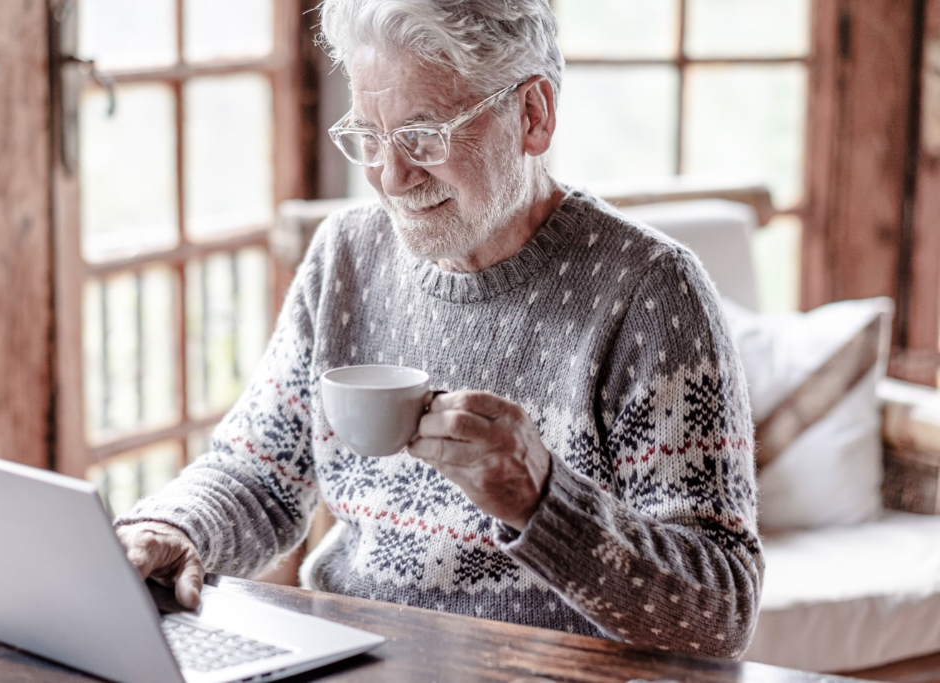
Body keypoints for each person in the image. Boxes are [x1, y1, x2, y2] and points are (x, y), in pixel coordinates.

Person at [116, 0, 763, 658]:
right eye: (368, 135)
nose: (390, 176)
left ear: (533, 116)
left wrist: (544, 499)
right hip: (354, 659)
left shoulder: (651, 293)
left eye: (424, 135)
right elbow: (257, 474)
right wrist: (174, 525)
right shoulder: (345, 254)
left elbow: (722, 612)